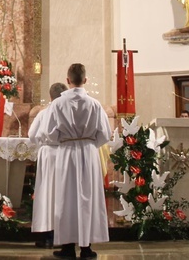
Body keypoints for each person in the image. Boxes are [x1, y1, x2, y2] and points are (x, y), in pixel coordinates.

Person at [42, 64, 110, 259]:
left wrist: (64, 141)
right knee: (87, 198)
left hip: (66, 153)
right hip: (88, 153)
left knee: (66, 199)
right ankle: (87, 248)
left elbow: (49, 133)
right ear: (85, 80)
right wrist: (89, 143)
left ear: (68, 80)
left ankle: (68, 247)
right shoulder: (94, 104)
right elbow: (104, 134)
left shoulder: (57, 104)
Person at [28, 82, 67, 249]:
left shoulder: (44, 113)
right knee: (62, 194)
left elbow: (31, 135)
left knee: (46, 194)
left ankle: (46, 236)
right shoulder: (68, 113)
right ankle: (64, 236)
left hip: (47, 154)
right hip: (64, 153)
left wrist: (42, 144)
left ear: (50, 96)